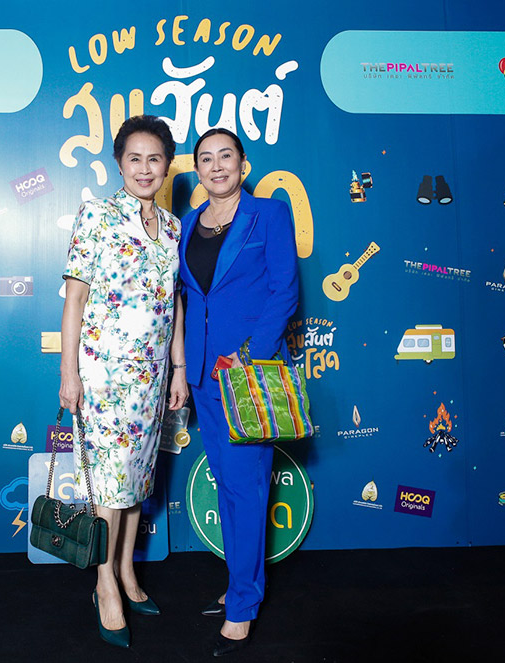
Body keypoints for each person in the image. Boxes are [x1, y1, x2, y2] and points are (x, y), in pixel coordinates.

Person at [59, 115, 189, 649]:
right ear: (119, 164)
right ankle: (104, 583)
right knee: (111, 485)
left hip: (151, 376)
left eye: (154, 158)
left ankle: (128, 571)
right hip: (105, 374)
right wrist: (69, 373)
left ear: (167, 165)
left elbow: (174, 303)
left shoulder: (174, 227)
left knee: (137, 481)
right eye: (134, 158)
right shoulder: (97, 214)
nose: (144, 168)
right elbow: (75, 298)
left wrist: (178, 368)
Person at [178, 128, 299, 657]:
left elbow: (284, 289)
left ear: (243, 164)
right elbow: (186, 300)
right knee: (228, 485)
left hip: (246, 373)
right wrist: (182, 367)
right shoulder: (187, 224)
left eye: (225, 156)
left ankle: (243, 607)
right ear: (197, 170)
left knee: (247, 488)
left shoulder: (268, 213)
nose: (217, 166)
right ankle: (238, 585)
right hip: (203, 373)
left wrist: (249, 353)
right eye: (206, 158)